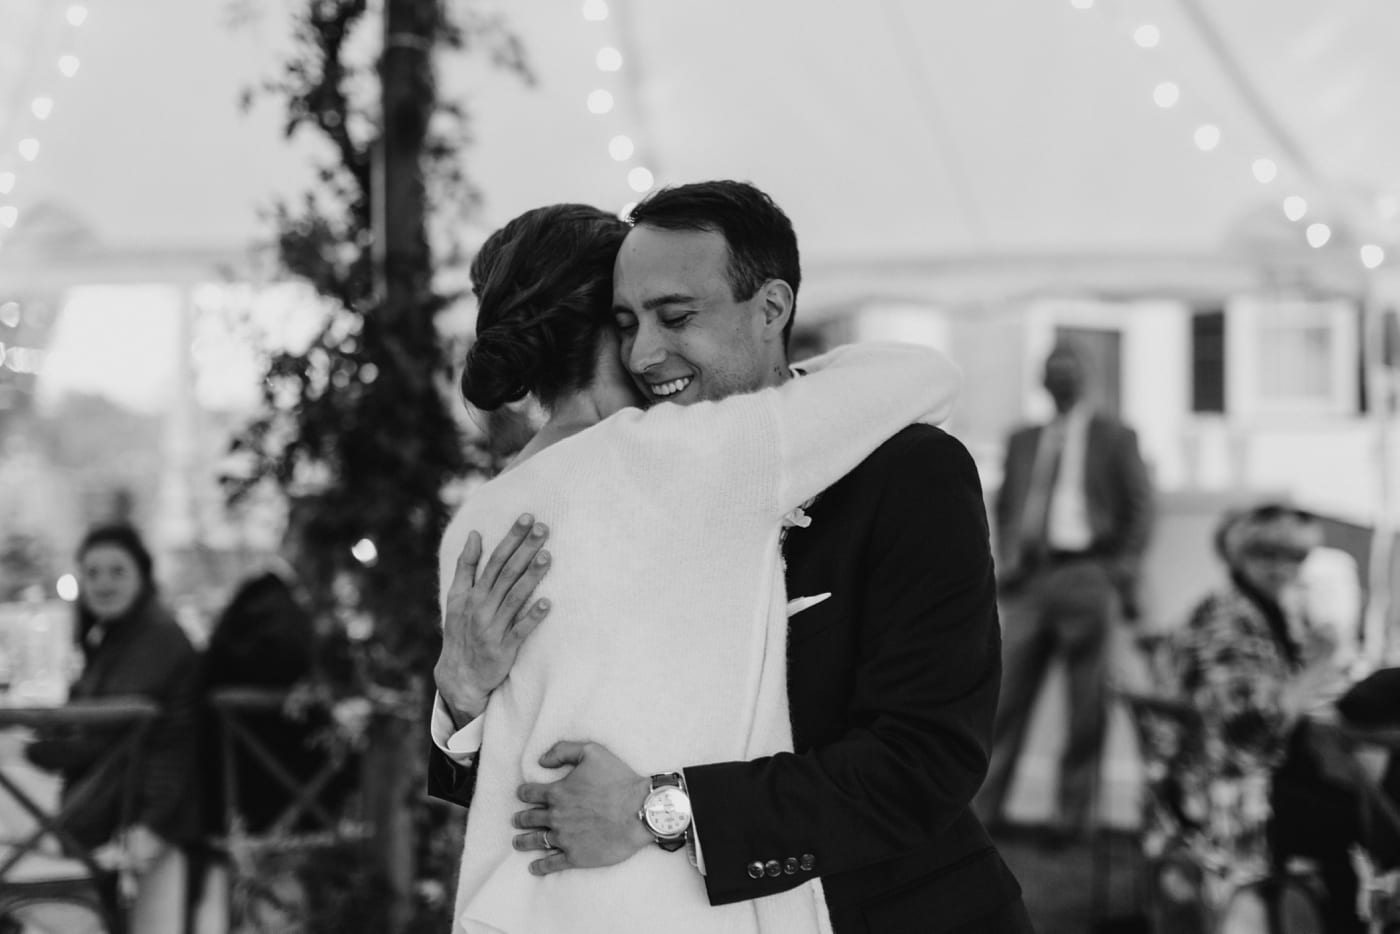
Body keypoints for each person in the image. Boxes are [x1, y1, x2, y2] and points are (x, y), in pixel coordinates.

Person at [430, 182, 1032, 933]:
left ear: (771, 309)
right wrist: (460, 694)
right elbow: (545, 766)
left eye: (676, 317)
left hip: (888, 910)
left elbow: (924, 761)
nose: (647, 354)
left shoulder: (907, 470)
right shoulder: (616, 485)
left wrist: (661, 809)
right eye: (625, 324)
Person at [976, 340, 1153, 841]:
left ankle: (1071, 819)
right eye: (1053, 371)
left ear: (1087, 377)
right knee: (1005, 701)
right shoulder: (1023, 438)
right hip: (1030, 581)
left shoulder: (1115, 436)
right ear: (1042, 381)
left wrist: (1119, 570)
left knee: (1085, 706)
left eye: (1070, 370)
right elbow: (1008, 504)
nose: (1062, 379)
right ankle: (982, 812)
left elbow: (1140, 507)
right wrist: (1007, 561)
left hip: (1087, 574)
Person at [1161, 503, 1360, 930]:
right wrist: (1316, 669)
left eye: (1296, 557)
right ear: (1239, 553)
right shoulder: (1228, 616)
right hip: (1230, 792)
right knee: (1358, 812)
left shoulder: (1261, 609)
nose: (1281, 567)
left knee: (1357, 796)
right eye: (1266, 553)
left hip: (1237, 777)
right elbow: (1249, 734)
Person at [23, 523, 201, 934]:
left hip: (143, 818)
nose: (103, 583)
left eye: (117, 571)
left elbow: (97, 735)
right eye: (93, 572)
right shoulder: (117, 638)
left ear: (142, 575)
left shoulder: (156, 638)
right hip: (122, 810)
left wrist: (26, 750)